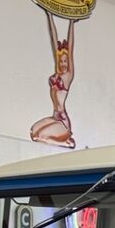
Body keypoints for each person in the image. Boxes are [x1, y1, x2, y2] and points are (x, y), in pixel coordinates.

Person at [30, 11, 75, 148]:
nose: (63, 64)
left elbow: (71, 47)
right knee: (33, 132)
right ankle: (63, 139)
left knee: (40, 136)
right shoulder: (57, 74)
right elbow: (53, 40)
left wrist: (71, 22)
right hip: (55, 117)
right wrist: (49, 16)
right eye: (61, 61)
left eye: (65, 62)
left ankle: (67, 142)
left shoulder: (68, 76)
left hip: (62, 122)